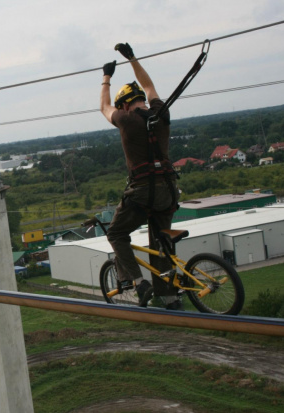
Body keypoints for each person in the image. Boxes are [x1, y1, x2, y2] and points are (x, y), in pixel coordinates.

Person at [99, 43, 181, 309]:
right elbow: (149, 85)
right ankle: (168, 298)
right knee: (162, 241)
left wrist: (106, 77)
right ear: (141, 100)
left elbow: (103, 106)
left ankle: (138, 282)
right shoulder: (161, 112)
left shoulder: (125, 120)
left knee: (117, 233)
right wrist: (132, 58)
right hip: (168, 189)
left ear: (124, 105)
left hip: (142, 191)